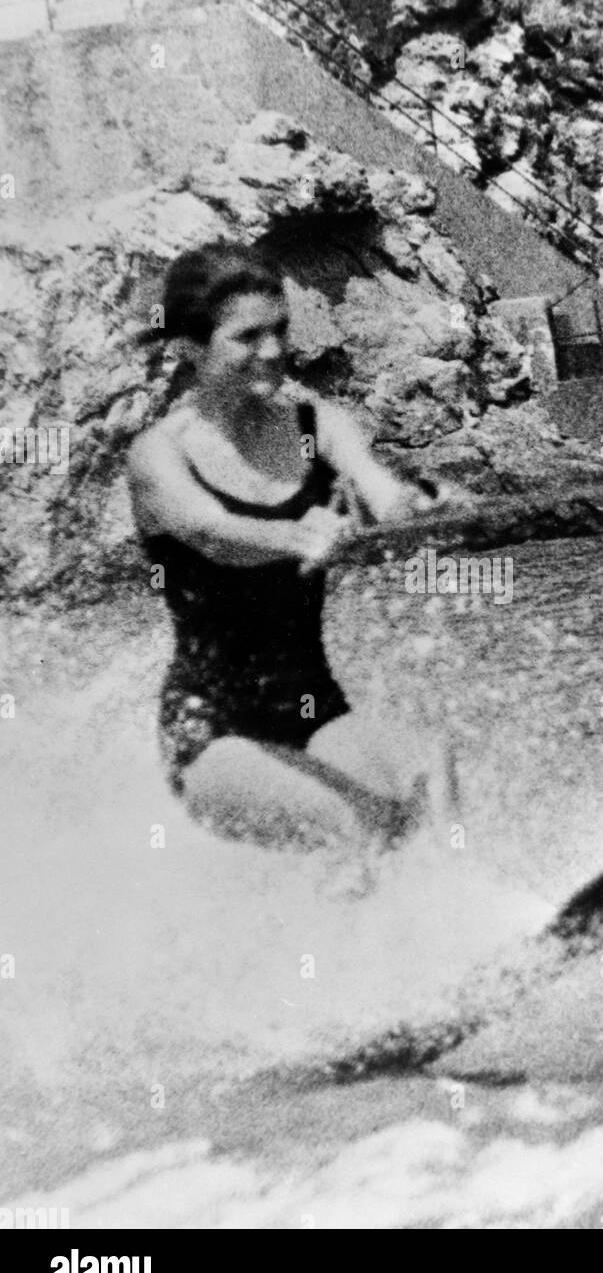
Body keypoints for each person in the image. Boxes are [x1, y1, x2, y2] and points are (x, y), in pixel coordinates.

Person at [128, 242, 458, 853]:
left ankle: (454, 926)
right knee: (356, 825)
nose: (274, 352)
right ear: (191, 348)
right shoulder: (160, 454)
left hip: (315, 709)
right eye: (247, 337)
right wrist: (295, 534)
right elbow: (211, 532)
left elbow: (383, 495)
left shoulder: (317, 425)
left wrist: (424, 506)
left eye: (279, 330)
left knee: (428, 776)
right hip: (214, 735)